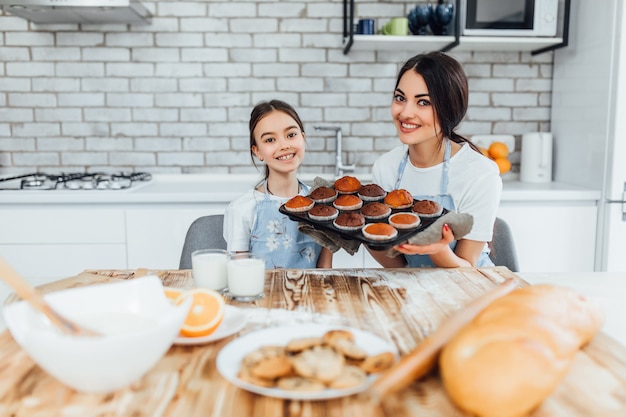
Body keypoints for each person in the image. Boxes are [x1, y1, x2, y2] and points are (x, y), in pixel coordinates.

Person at [369, 51, 502, 268]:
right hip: (414, 286)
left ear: (449, 109)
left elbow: (468, 268)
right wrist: (367, 238)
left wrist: (438, 249)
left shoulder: (479, 173)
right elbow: (400, 267)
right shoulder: (386, 168)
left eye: (423, 102)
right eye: (400, 98)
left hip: (469, 288)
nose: (405, 113)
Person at [223, 99, 333, 269]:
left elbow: (325, 273)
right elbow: (240, 279)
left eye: (291, 135)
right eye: (269, 140)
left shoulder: (323, 205)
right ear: (257, 151)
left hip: (313, 294)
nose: (284, 145)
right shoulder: (241, 210)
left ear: (302, 138)